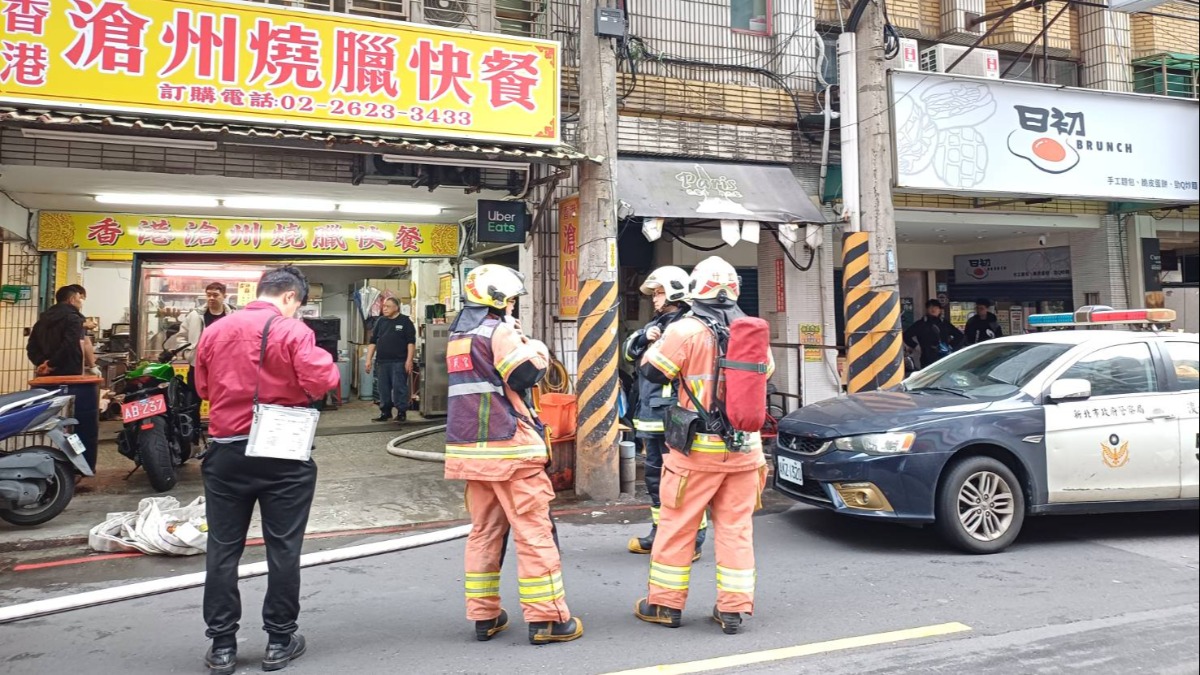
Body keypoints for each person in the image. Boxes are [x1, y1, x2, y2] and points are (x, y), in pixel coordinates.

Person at [193, 266, 340, 675]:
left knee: (222, 550)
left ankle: (222, 646)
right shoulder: (293, 331)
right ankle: (279, 640)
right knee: (283, 548)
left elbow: (202, 388)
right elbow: (323, 378)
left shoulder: (216, 331)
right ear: (291, 297)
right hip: (283, 453)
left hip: (226, 452)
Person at [444, 264, 583, 646]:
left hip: (473, 452)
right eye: (511, 299)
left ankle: (483, 616)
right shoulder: (498, 330)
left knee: (484, 533)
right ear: (499, 298)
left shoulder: (459, 335)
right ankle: (548, 620)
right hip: (511, 451)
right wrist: (535, 347)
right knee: (533, 533)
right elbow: (524, 376)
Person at [635, 256, 772, 636]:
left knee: (677, 526)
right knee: (736, 530)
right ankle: (733, 609)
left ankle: (664, 605)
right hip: (746, 451)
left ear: (697, 289)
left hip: (695, 450)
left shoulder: (686, 329)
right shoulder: (753, 333)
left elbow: (652, 370)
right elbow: (766, 375)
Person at [623, 266, 707, 559]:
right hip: (650, 413)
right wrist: (645, 336)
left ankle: (692, 539)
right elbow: (628, 352)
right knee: (655, 479)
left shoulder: (689, 327)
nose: (655, 299)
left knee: (683, 480)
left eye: (659, 292)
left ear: (675, 293)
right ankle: (660, 533)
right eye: (655, 293)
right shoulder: (657, 324)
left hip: (677, 415)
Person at [365, 297, 416, 423]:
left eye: (388, 306)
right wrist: (368, 359)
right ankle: (385, 412)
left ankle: (401, 412)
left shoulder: (405, 321)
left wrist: (409, 360)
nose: (385, 309)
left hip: (399, 361)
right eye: (384, 306)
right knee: (383, 389)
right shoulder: (381, 321)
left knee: (399, 388)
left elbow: (411, 342)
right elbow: (373, 342)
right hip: (382, 361)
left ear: (396, 308)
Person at [27, 284, 95, 376]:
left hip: (44, 372)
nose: (81, 302)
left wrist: (42, 363)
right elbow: (69, 345)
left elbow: (31, 347)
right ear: (72, 300)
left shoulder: (42, 320)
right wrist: (51, 364)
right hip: (68, 374)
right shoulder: (74, 319)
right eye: (79, 298)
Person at [172, 282, 233, 365]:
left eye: (215, 295)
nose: (211, 298)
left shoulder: (232, 317)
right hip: (197, 363)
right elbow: (181, 336)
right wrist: (187, 353)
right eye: (208, 295)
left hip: (223, 364)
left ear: (224, 296)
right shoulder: (195, 315)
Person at [903, 298, 964, 369]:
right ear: (927, 309)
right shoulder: (921, 324)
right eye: (930, 307)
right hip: (927, 357)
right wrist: (916, 346)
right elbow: (906, 335)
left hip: (944, 356)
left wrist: (950, 347)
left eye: (936, 307)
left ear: (940, 310)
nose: (933, 309)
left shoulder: (944, 323)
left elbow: (959, 336)